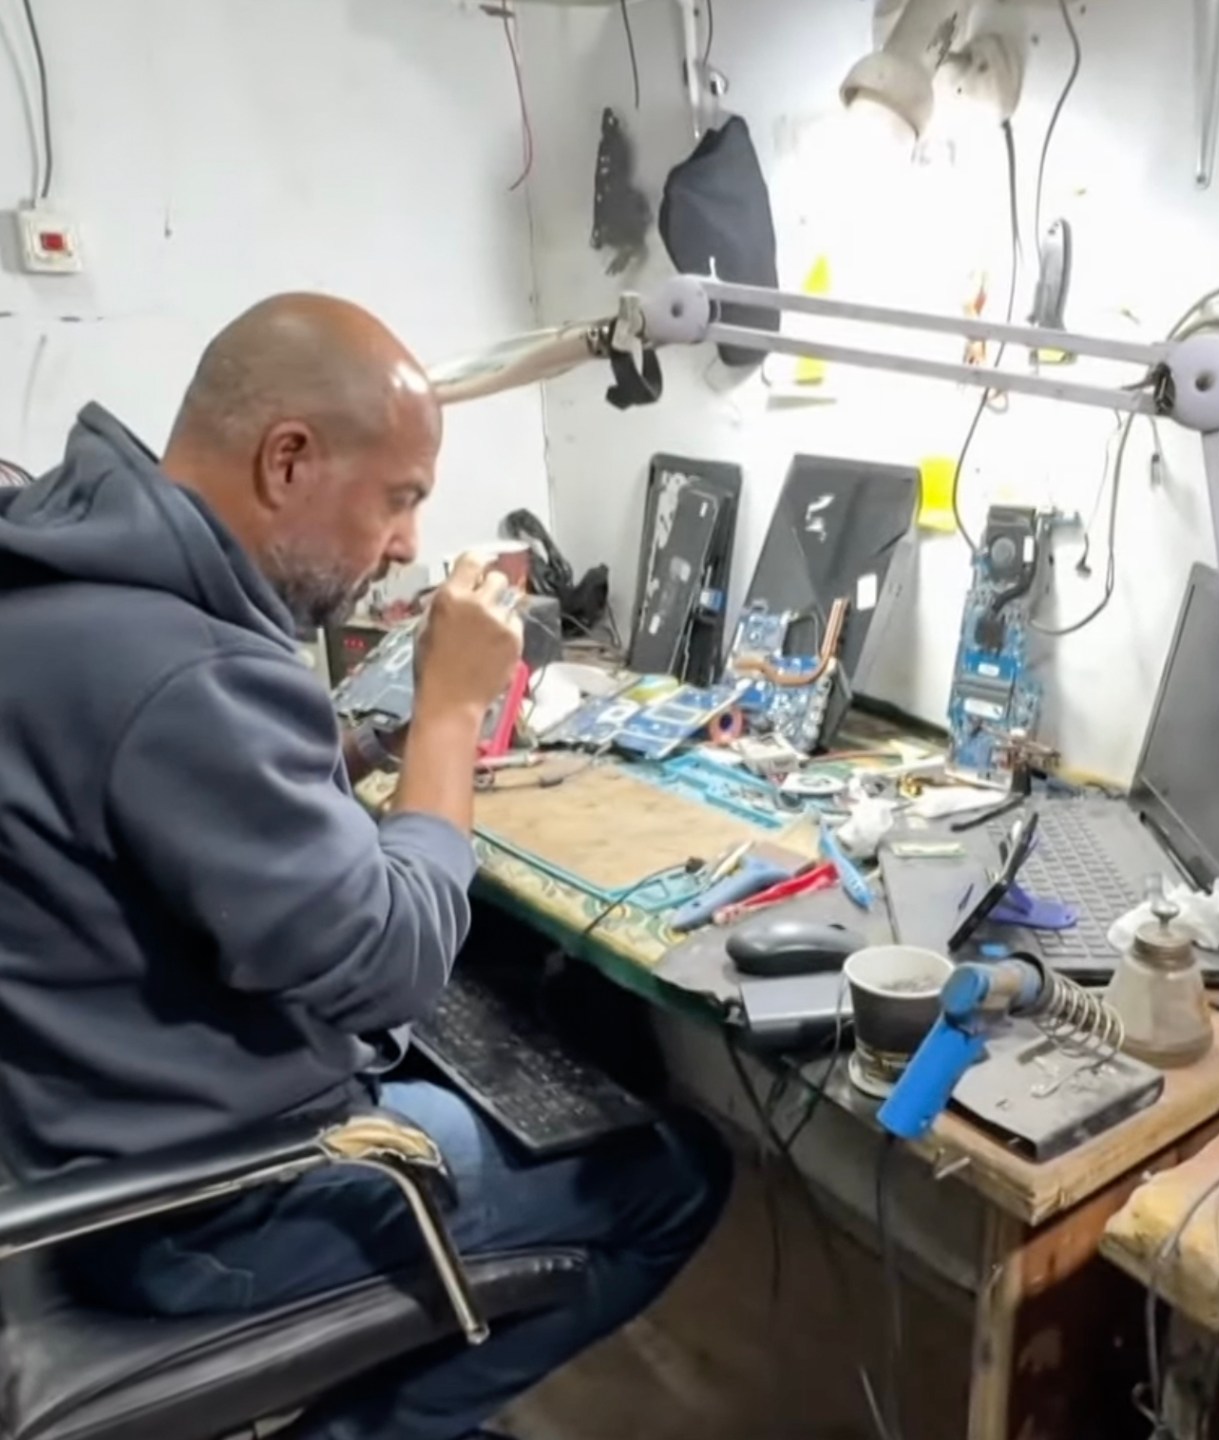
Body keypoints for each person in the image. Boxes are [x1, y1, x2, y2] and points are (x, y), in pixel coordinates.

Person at [0, 294, 730, 1440]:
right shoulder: (183, 670)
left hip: (81, 1146)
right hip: (208, 1209)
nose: (402, 544)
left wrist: (345, 750)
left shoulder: (70, 580)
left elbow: (159, 802)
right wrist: (447, 714)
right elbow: (394, 968)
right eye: (399, 499)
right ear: (288, 459)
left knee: (549, 1031)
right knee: (675, 1174)